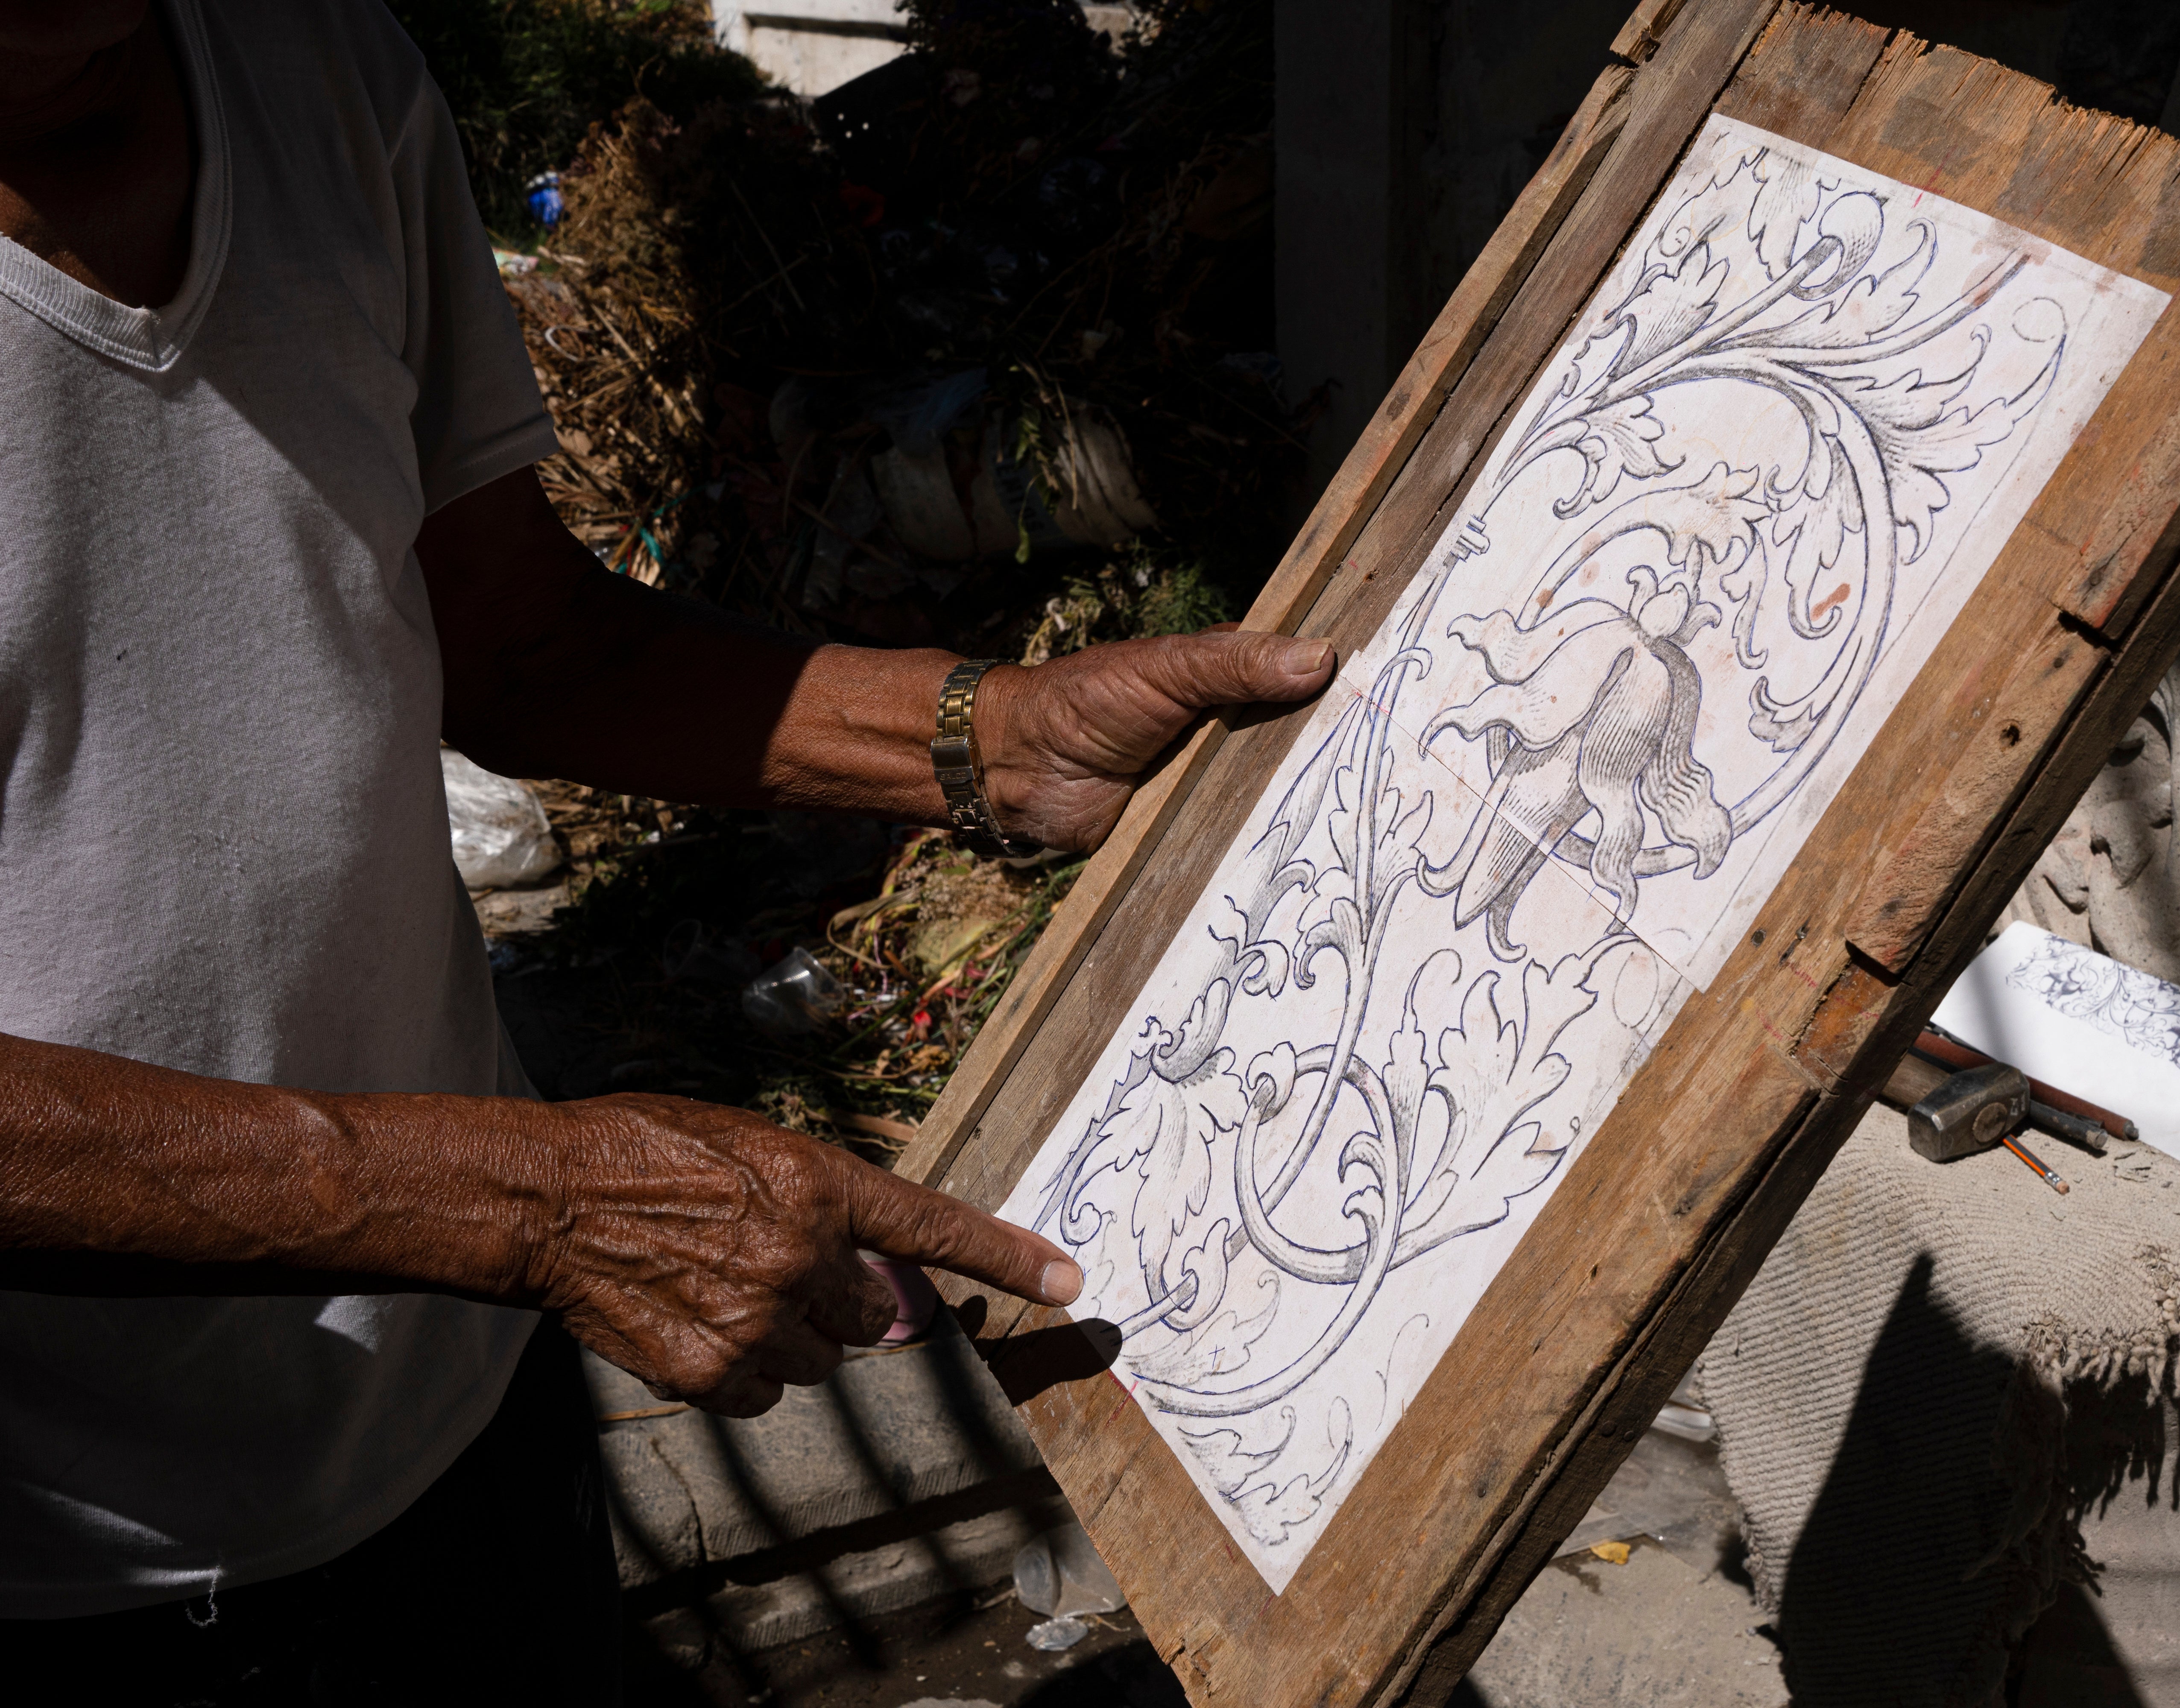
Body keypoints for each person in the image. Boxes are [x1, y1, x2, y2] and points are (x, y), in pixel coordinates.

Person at [0, 1, 1332, 1699]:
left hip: (453, 1424)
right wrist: (518, 1201)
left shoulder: (316, 76)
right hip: (60, 1549)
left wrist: (989, 733)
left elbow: (522, 644)